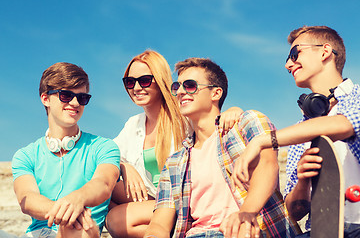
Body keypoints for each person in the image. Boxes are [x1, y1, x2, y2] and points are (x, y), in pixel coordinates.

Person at [144, 57, 300, 238]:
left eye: (189, 85)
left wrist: (245, 214)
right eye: (176, 87)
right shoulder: (174, 163)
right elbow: (160, 222)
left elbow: (268, 166)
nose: (180, 92)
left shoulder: (247, 123)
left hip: (250, 231)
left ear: (216, 93)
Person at [230, 26, 360, 237]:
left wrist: (262, 141)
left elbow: (344, 125)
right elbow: (293, 210)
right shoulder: (300, 132)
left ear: (324, 51)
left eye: (294, 54)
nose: (288, 64)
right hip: (318, 231)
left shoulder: (357, 98)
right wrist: (303, 179)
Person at [105, 50, 244, 238]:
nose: (136, 87)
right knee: (107, 188)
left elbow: (213, 122)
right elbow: (107, 153)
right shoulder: (133, 124)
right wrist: (124, 166)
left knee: (116, 219)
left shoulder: (183, 115)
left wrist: (235, 110)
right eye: (130, 82)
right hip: (156, 202)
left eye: (144, 80)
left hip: (182, 200)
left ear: (160, 80)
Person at [12, 62, 120, 238]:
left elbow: (104, 183)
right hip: (38, 233)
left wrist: (78, 199)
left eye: (82, 97)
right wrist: (68, 210)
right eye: (65, 95)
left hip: (82, 230)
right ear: (45, 98)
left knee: (74, 228)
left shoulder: (104, 147)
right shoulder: (25, 155)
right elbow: (27, 198)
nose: (75, 102)